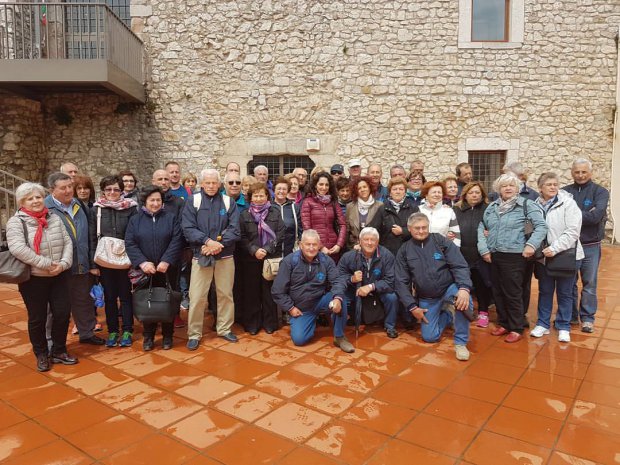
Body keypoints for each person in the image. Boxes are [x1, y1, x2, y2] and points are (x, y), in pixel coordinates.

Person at [7, 182, 76, 372]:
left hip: (59, 275)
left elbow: (67, 241)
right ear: (22, 202)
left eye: (38, 196)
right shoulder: (16, 221)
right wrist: (46, 263)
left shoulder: (53, 217)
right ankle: (41, 353)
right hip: (34, 278)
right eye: (30, 198)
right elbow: (18, 249)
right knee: (37, 317)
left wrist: (63, 264)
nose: (36, 201)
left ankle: (59, 350)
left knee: (62, 313)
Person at [478, 174, 547, 343]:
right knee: (498, 291)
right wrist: (484, 249)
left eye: (511, 185)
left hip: (516, 255)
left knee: (513, 292)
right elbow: (483, 226)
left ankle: (516, 326)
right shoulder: (492, 207)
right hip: (495, 254)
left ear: (517, 188)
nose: (508, 188)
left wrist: (531, 245)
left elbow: (541, 226)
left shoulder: (526, 205)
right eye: (504, 186)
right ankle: (504, 323)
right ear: (498, 189)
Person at [395, 213, 474, 361]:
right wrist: (412, 307)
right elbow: (400, 281)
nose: (421, 231)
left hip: (449, 287)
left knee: (465, 300)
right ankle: (448, 315)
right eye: (417, 228)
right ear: (410, 229)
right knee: (430, 337)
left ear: (428, 226)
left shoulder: (440, 241)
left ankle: (461, 342)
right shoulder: (404, 250)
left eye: (424, 227)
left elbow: (459, 265)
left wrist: (464, 288)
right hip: (427, 296)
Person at [182, 169, 240, 349]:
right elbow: (187, 228)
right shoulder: (194, 201)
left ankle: (224, 328)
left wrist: (217, 244)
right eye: (207, 182)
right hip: (201, 255)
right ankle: (194, 334)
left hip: (225, 256)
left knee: (225, 294)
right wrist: (206, 242)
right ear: (201, 184)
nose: (211, 186)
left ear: (219, 184)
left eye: (214, 182)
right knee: (197, 296)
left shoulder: (228, 201)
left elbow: (234, 229)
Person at [45, 172, 104, 346]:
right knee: (54, 308)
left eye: (70, 186)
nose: (68, 191)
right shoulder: (45, 208)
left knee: (84, 301)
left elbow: (89, 235)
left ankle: (86, 333)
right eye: (63, 188)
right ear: (52, 190)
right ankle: (50, 342)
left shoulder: (78, 204)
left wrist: (91, 263)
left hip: (81, 264)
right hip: (58, 267)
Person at [272, 229, 354, 353]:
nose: (311, 248)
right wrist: (290, 308)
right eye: (308, 244)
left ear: (319, 245)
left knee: (341, 298)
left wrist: (337, 298)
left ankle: (339, 337)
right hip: (301, 308)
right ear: (301, 245)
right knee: (299, 340)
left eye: (314, 244)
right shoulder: (290, 262)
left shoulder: (326, 261)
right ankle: (311, 322)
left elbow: (337, 281)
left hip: (320, 300)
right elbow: (277, 290)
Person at [125, 185, 184, 350]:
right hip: (146, 270)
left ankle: (167, 336)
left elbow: (177, 240)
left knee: (167, 302)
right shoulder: (135, 220)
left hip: (167, 269)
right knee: (148, 303)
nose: (156, 203)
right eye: (152, 200)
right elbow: (130, 243)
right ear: (145, 201)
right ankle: (148, 336)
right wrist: (143, 262)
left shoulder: (171, 218)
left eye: (158, 200)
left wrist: (166, 260)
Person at [531, 173, 584, 343]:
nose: (553, 187)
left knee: (565, 292)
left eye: (555, 184)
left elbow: (573, 231)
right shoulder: (534, 205)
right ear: (540, 188)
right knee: (545, 291)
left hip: (565, 255)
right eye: (548, 184)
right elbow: (529, 227)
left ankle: (563, 326)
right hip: (543, 257)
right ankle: (543, 324)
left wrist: (554, 248)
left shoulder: (568, 204)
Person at [89, 175, 138, 348]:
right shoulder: (96, 210)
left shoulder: (131, 209)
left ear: (122, 191)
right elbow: (91, 238)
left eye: (116, 189)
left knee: (125, 296)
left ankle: (127, 330)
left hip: (125, 259)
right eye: (108, 189)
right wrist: (93, 265)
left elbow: (135, 234)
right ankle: (112, 331)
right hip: (104, 260)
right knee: (109, 297)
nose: (112, 192)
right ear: (103, 191)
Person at [564, 158, 609, 333]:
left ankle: (588, 318)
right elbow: (562, 216)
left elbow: (596, 216)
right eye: (577, 172)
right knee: (569, 282)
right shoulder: (564, 192)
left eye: (584, 172)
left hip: (591, 245)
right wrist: (584, 215)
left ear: (590, 173)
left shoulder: (600, 192)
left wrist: (572, 214)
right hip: (570, 245)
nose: (580, 175)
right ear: (572, 172)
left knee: (589, 283)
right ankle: (572, 316)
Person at [238, 182, 286, 334]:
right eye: (255, 195)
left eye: (262, 195)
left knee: (269, 292)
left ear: (267, 196)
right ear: (250, 198)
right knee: (251, 293)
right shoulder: (244, 215)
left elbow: (280, 233)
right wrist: (254, 250)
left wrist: (266, 249)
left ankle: (270, 323)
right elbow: (242, 236)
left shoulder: (275, 213)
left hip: (270, 259)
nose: (259, 198)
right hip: (250, 260)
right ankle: (252, 324)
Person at [338, 227, 399, 338]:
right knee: (341, 298)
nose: (369, 243)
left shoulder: (387, 256)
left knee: (392, 297)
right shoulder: (348, 257)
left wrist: (371, 286)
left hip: (378, 289)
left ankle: (390, 326)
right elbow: (339, 277)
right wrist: (352, 278)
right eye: (366, 240)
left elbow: (390, 280)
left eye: (373, 240)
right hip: (355, 289)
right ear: (359, 241)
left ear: (378, 242)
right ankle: (339, 330)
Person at [454, 182, 492, 328]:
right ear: (465, 195)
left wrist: (491, 232)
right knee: (462, 285)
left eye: (477, 192)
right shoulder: (456, 209)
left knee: (482, 285)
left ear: (482, 195)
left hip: (480, 254)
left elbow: (494, 225)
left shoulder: (488, 209)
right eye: (471, 192)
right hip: (461, 254)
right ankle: (463, 312)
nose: (474, 195)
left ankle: (483, 312)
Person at [301, 171, 347, 262]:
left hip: (333, 248)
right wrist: (320, 247)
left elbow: (343, 224)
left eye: (327, 185)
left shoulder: (333, 202)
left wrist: (339, 244)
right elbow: (307, 228)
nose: (324, 187)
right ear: (315, 185)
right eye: (321, 184)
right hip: (314, 247)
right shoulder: (308, 202)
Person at [378, 176, 418, 256]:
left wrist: (403, 231)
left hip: (408, 251)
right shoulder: (382, 208)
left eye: (401, 189)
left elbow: (418, 229)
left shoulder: (413, 208)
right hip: (387, 252)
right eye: (395, 189)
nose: (398, 192)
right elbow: (375, 228)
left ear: (405, 192)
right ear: (390, 192)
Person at [419, 181, 461, 247]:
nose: (437, 194)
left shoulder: (449, 211)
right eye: (434, 192)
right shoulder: (419, 210)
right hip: (421, 250)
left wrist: (454, 253)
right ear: (426, 195)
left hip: (442, 251)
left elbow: (456, 236)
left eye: (439, 192)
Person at [345, 176, 383, 250]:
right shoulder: (350, 206)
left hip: (374, 247)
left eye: (364, 187)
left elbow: (382, 230)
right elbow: (348, 230)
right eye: (359, 188)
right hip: (355, 248)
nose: (362, 190)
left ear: (369, 188)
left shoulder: (380, 205)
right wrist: (353, 245)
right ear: (356, 191)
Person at [272, 177, 301, 257]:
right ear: (274, 190)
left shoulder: (294, 207)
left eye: (284, 189)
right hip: (272, 253)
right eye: (279, 189)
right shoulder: (268, 207)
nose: (281, 191)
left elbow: (300, 229)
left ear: (288, 191)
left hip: (291, 252)